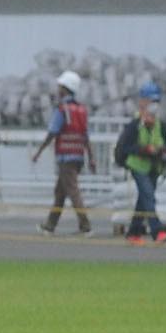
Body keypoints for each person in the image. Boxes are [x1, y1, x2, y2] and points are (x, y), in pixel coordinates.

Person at [29, 69, 93, 236]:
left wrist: (39, 152)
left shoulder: (62, 109)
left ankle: (85, 226)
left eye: (60, 86)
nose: (58, 89)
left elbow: (53, 132)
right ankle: (50, 225)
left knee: (72, 191)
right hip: (78, 156)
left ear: (65, 88)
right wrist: (91, 158)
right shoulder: (81, 110)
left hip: (66, 157)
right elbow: (86, 136)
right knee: (60, 192)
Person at [116, 82, 166, 243]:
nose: (154, 105)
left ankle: (134, 232)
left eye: (156, 101)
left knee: (143, 199)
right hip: (138, 166)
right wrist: (145, 149)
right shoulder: (134, 126)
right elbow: (126, 147)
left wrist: (161, 150)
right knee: (148, 196)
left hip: (154, 167)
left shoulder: (160, 125)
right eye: (151, 101)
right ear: (142, 102)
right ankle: (157, 231)